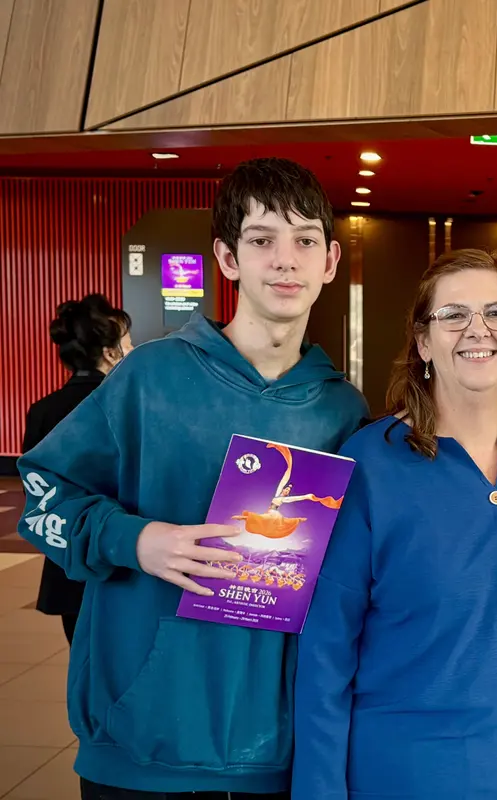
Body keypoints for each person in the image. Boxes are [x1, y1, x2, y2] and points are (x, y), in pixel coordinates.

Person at [17, 157, 369, 800]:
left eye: (305, 241)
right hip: (144, 744)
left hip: (280, 749)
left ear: (331, 260)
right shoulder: (149, 378)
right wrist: (134, 540)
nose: (286, 261)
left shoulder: (342, 410)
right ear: (228, 259)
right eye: (263, 240)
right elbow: (41, 496)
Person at [292, 248, 497, 800]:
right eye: (453, 314)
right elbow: (324, 650)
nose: (478, 329)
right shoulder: (368, 463)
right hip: (401, 777)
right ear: (423, 343)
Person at [22, 294, 134, 645]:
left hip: (66, 557)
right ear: (111, 353)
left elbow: (38, 491)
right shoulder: (128, 406)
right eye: (130, 344)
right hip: (125, 558)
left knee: (83, 665)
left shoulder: (42, 410)